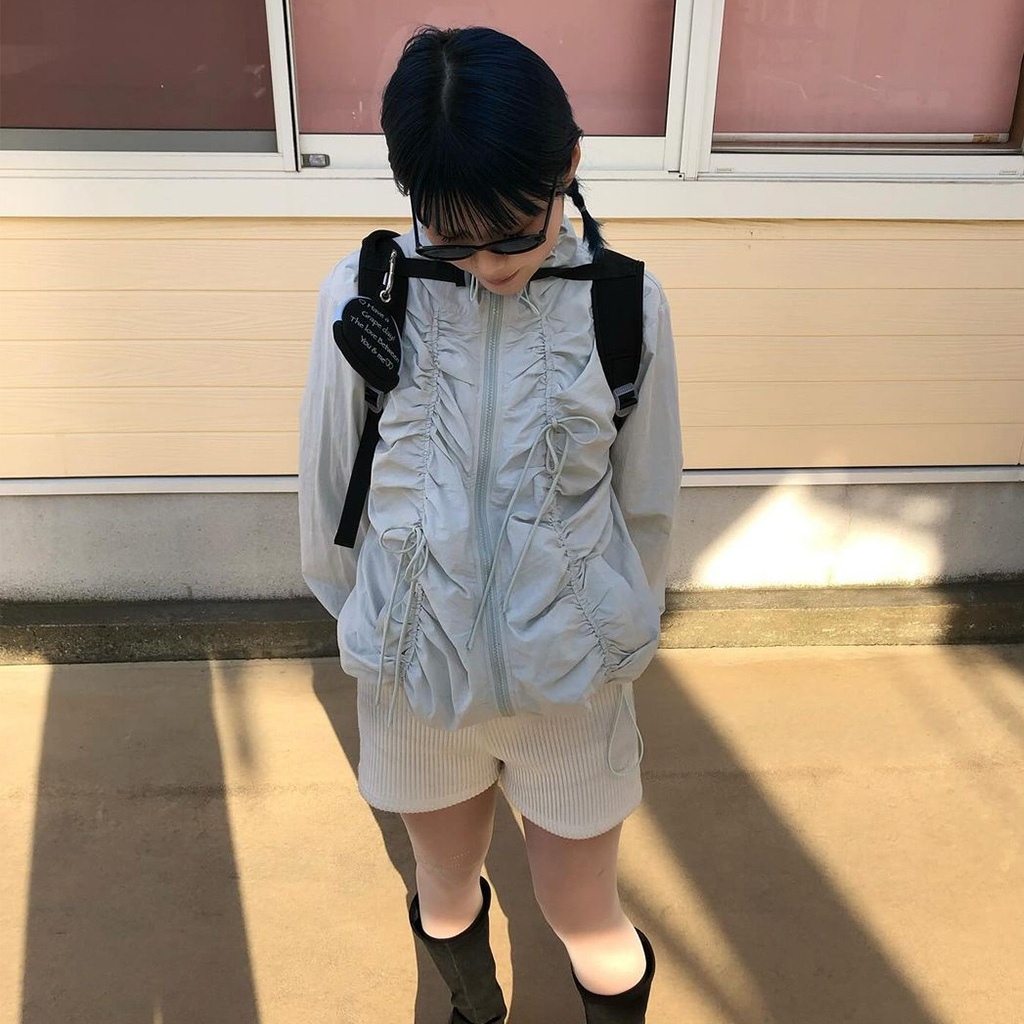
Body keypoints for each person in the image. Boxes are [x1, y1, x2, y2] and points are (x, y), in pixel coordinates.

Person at [298, 24, 682, 1024]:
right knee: (444, 885)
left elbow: (645, 502)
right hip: (414, 676)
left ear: (569, 167)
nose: (487, 262)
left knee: (583, 912)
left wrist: (615, 632)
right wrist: (376, 626)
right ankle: (475, 1011)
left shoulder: (624, 304)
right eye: (451, 237)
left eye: (514, 231)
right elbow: (331, 488)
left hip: (570, 681)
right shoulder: (366, 293)